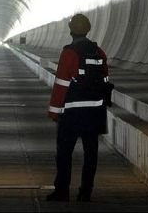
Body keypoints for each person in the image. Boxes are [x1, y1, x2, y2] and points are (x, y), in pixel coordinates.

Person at [45, 13, 113, 202]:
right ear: (88, 29)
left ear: (71, 31)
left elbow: (61, 84)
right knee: (91, 153)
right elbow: (105, 80)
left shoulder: (69, 53)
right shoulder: (99, 52)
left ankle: (62, 191)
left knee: (64, 152)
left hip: (72, 113)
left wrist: (55, 111)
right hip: (95, 112)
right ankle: (85, 192)